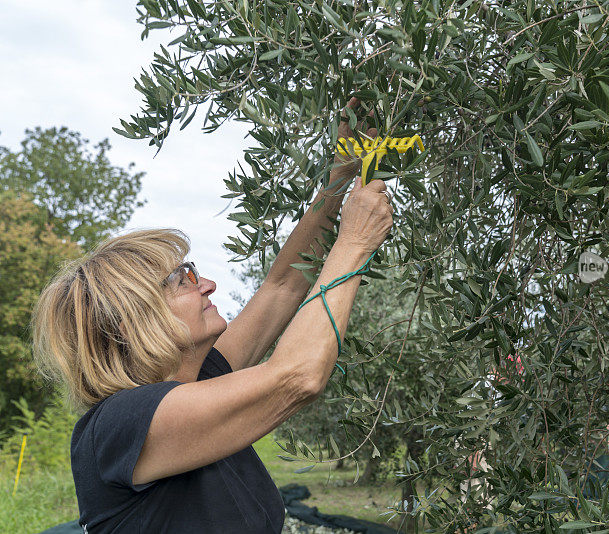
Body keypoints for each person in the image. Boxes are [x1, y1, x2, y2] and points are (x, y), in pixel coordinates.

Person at [30, 98, 392, 533]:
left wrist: (340, 176)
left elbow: (283, 287)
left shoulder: (199, 382)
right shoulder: (121, 424)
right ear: (134, 322)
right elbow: (297, 376)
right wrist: (353, 243)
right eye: (183, 279)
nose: (208, 285)